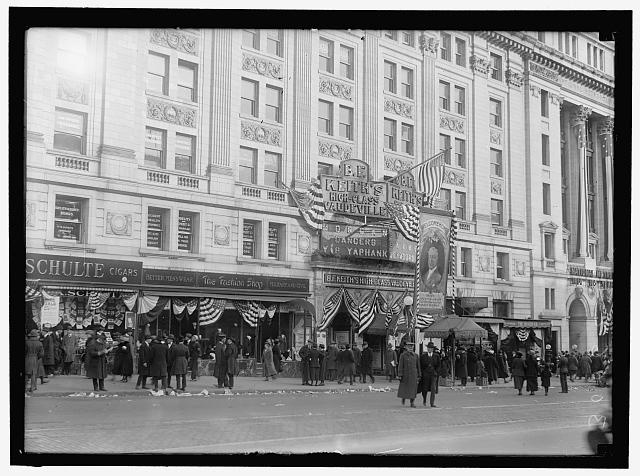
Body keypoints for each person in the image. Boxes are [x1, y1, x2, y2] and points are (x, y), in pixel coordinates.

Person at [397, 341, 421, 407]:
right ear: (406, 347)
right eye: (409, 346)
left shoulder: (416, 355)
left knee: (413, 390)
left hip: (413, 375)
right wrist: (400, 375)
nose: (411, 347)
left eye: (412, 346)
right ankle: (403, 398)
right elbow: (400, 365)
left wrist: (419, 375)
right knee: (404, 388)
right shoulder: (403, 355)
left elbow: (418, 366)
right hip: (405, 375)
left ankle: (412, 402)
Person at [419, 342, 440, 407]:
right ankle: (424, 399)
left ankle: (432, 403)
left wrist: (436, 372)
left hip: (433, 374)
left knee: (433, 388)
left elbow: (439, 365)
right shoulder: (423, 356)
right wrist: (422, 373)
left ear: (433, 349)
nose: (429, 349)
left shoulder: (436, 356)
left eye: (431, 348)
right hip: (425, 375)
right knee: (425, 389)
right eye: (428, 348)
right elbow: (420, 366)